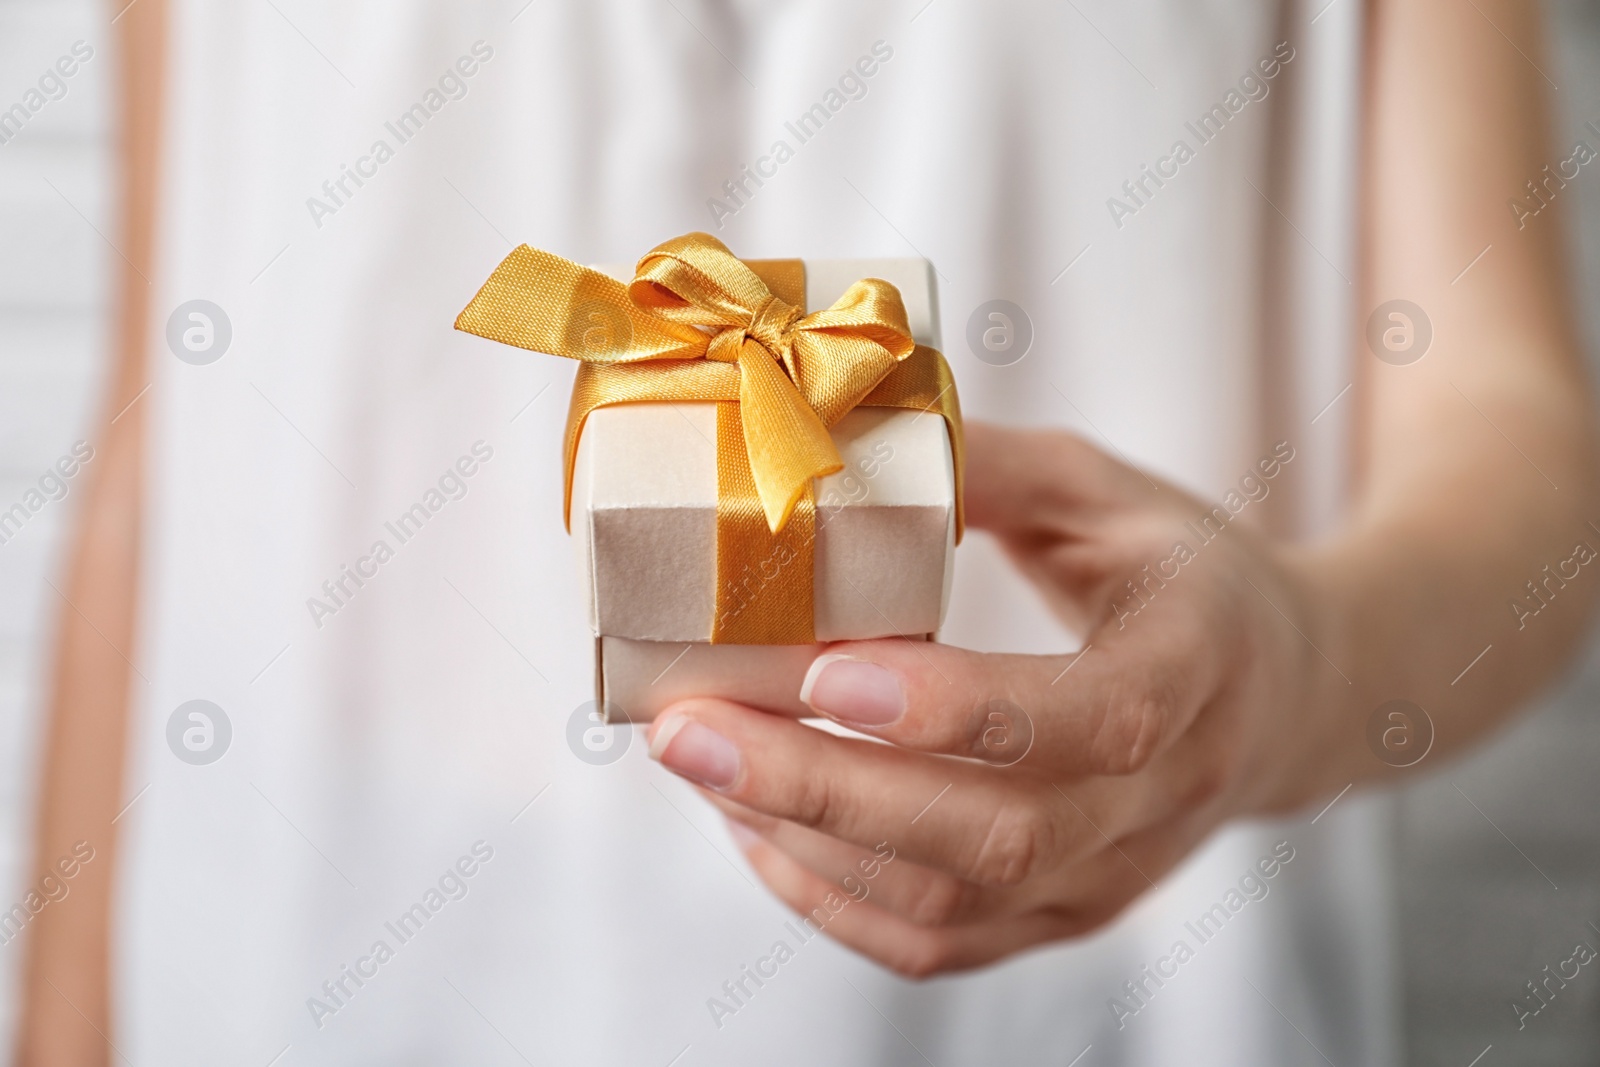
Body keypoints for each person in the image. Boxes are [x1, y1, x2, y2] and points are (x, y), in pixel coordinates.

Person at [17, 0, 1596, 1064]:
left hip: (1099, 997)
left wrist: (1295, 672)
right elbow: (166, 406)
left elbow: (1514, 434)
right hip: (293, 965)